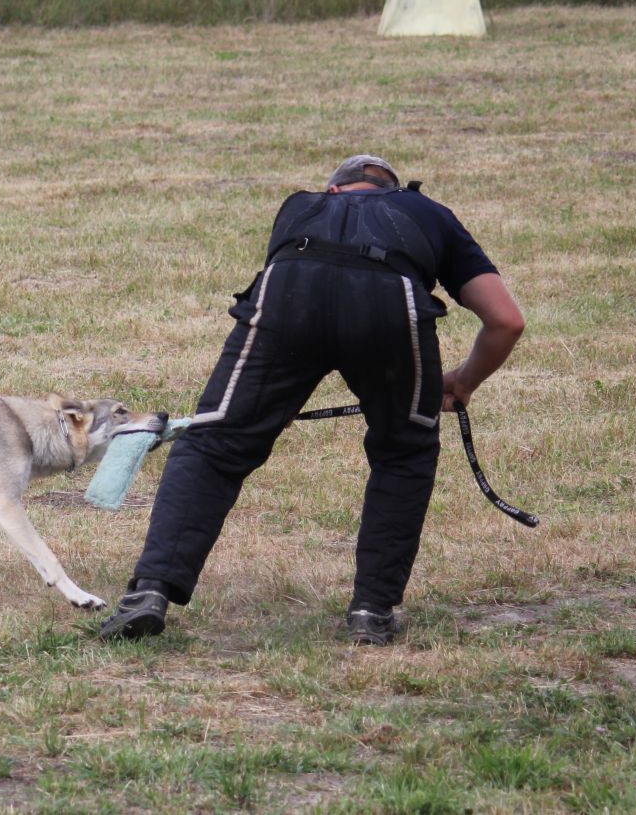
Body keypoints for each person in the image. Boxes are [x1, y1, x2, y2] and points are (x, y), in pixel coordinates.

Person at [100, 155, 525, 646]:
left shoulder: (299, 209)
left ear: (334, 190)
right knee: (403, 452)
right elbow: (506, 321)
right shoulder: (427, 211)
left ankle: (149, 591)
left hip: (289, 292)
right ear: (394, 189)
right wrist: (465, 381)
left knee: (215, 444)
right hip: (391, 304)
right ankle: (372, 611)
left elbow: (323, 283)